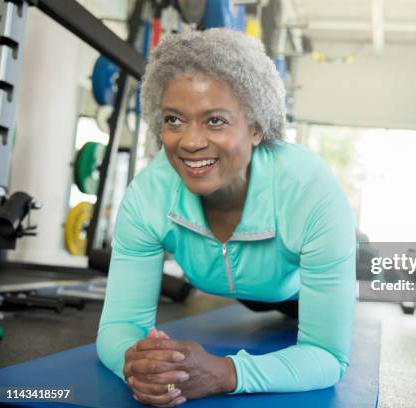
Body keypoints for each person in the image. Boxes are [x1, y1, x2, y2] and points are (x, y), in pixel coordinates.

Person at [96, 28, 355, 407]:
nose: (190, 141)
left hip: (295, 288)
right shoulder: (149, 196)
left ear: (255, 128)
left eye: (214, 120)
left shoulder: (310, 192)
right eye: (174, 120)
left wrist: (225, 374)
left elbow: (328, 357)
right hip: (247, 288)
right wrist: (141, 368)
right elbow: (117, 328)